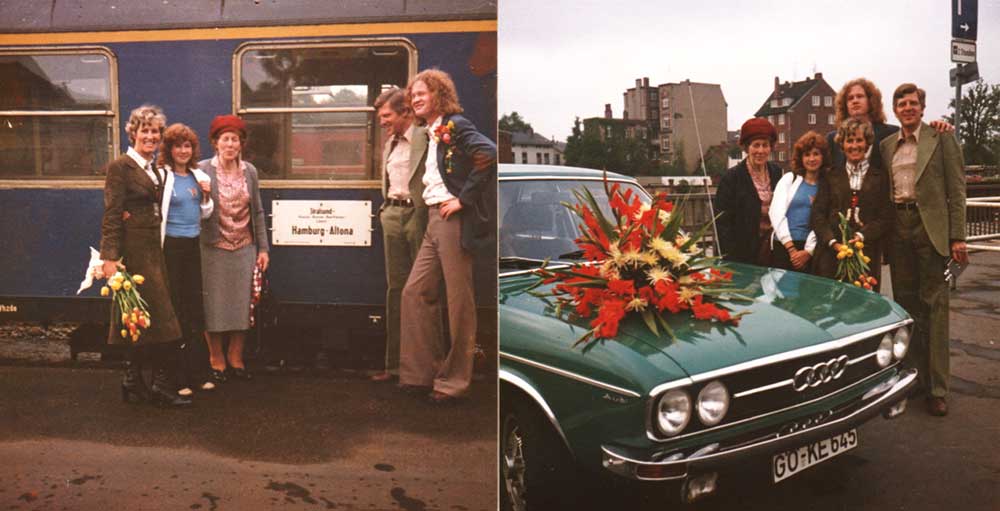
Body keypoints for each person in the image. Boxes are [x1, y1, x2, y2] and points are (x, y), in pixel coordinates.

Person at [398, 69, 496, 403]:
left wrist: (463, 199)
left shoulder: (457, 125)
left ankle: (454, 383)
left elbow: (488, 154)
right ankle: (420, 374)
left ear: (439, 94)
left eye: (421, 94)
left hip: (451, 219)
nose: (415, 100)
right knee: (415, 292)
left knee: (459, 303)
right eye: (413, 96)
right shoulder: (434, 131)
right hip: (432, 218)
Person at [879, 83, 967, 417]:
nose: (907, 108)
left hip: (931, 231)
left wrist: (957, 237)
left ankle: (938, 388)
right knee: (907, 307)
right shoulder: (888, 145)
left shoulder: (941, 138)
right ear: (895, 109)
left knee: (936, 307)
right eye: (901, 103)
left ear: (922, 107)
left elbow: (957, 191)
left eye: (913, 103)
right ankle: (914, 378)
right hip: (899, 229)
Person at [99, 104, 190, 407]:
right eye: (145, 130)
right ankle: (160, 387)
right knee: (161, 318)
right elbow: (112, 215)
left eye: (155, 131)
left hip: (154, 250)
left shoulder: (155, 169)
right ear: (133, 132)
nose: (150, 136)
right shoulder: (120, 167)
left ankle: (133, 381)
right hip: (133, 253)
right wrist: (109, 259)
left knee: (140, 318)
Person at [199, 114, 270, 384]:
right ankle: (215, 357)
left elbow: (258, 212)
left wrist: (263, 248)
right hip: (213, 247)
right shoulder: (202, 169)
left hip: (244, 246)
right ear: (215, 143)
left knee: (242, 304)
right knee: (213, 305)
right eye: (225, 139)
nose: (230, 144)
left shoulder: (249, 171)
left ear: (241, 144)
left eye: (235, 140)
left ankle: (235, 356)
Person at [371, 87, 428, 383]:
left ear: (406, 112)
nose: (382, 121)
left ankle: (421, 369)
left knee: (420, 291)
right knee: (396, 289)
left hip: (417, 215)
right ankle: (394, 366)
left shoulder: (424, 136)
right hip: (392, 213)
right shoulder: (390, 143)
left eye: (387, 115)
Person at [157, 123, 215, 396]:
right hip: (171, 248)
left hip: (192, 246)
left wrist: (206, 196)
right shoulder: (162, 176)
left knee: (194, 309)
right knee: (177, 309)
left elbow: (204, 213)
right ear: (169, 149)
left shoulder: (198, 175)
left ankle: (199, 372)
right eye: (178, 145)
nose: (183, 150)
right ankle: (177, 377)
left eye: (187, 146)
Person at [811, 118, 891, 290]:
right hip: (832, 255)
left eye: (859, 140)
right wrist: (832, 242)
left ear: (868, 143)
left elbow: (885, 217)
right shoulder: (830, 176)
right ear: (842, 145)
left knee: (864, 310)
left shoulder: (881, 177)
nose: (854, 146)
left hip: (866, 255)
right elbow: (818, 214)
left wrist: (862, 235)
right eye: (849, 141)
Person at [828, 78, 952, 170]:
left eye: (860, 96)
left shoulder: (891, 133)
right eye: (850, 98)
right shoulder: (832, 139)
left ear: (871, 101)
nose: (855, 101)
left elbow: (915, 131)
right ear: (844, 104)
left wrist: (936, 126)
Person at [715, 117, 783, 265]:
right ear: (746, 148)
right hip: (742, 254)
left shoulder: (776, 172)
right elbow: (722, 223)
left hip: (771, 251)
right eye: (756, 145)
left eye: (765, 145)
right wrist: (731, 259)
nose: (760, 150)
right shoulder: (732, 178)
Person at [768, 131, 825, 273]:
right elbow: (776, 212)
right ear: (801, 158)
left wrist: (808, 251)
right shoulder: (790, 179)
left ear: (823, 157)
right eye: (807, 155)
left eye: (816, 154)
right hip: (784, 245)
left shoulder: (826, 186)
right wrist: (791, 249)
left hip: (810, 249)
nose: (811, 159)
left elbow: (824, 220)